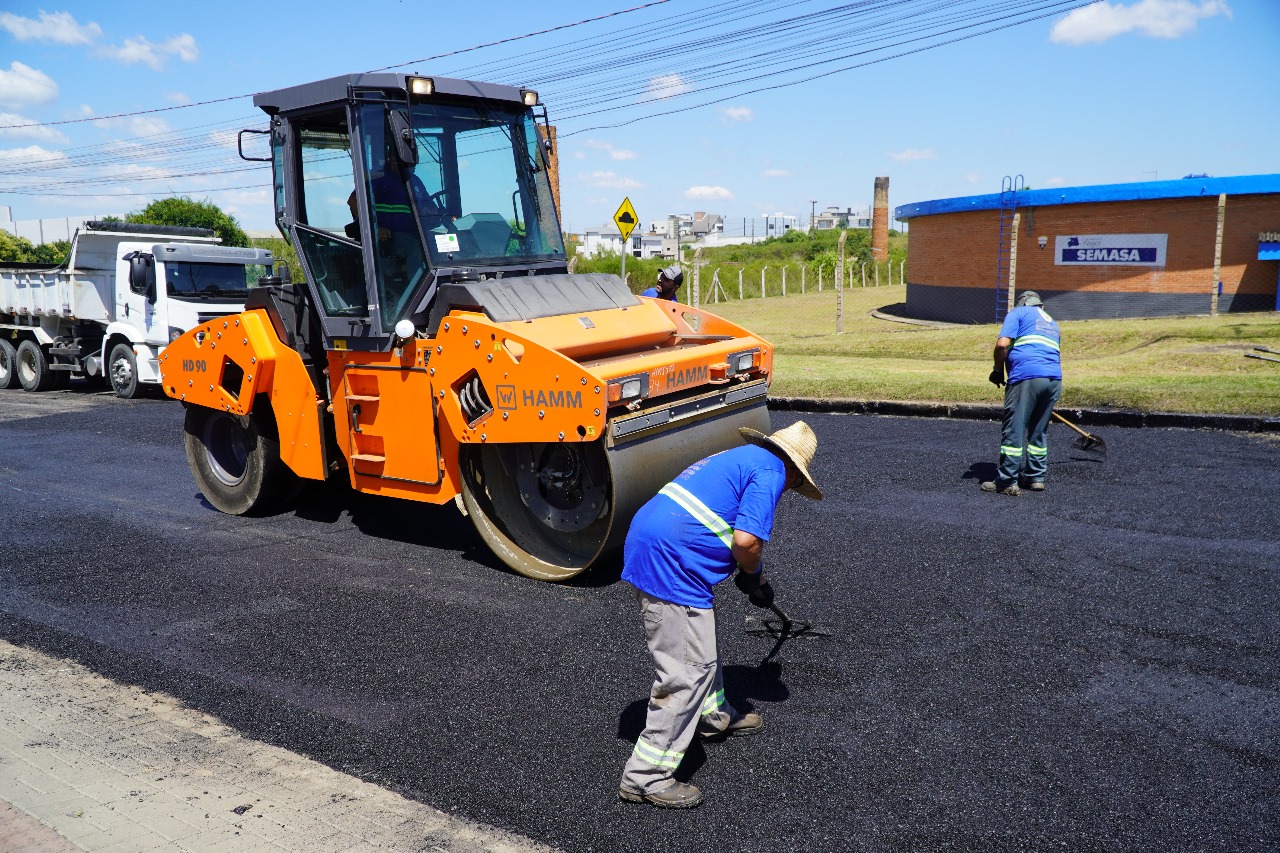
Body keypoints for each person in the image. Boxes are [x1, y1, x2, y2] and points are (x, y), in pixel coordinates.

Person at [618, 420, 823, 809]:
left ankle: (714, 717)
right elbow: (746, 542)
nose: (790, 490)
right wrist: (753, 577)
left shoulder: (746, 457)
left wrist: (748, 575)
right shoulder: (771, 473)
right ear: (794, 470)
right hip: (671, 560)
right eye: (796, 486)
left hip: (663, 541)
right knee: (686, 673)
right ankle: (645, 777)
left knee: (700, 646)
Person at [983, 290, 1062, 496]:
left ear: (1023, 304)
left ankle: (1007, 480)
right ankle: (1035, 476)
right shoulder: (1052, 323)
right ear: (1041, 306)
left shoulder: (1018, 314)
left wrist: (997, 370)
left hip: (1026, 377)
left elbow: (1002, 344)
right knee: (1038, 429)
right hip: (1053, 380)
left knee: (1014, 428)